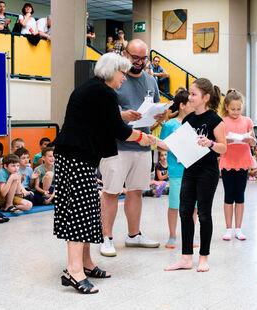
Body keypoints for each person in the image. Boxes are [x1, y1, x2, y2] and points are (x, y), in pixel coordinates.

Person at [53, 52, 153, 294]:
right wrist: (145, 138)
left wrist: (123, 115)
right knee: (79, 211)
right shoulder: (103, 92)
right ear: (111, 71)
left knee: (88, 210)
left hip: (76, 155)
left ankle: (85, 263)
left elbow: (101, 117)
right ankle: (73, 269)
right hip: (76, 156)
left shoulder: (93, 88)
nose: (125, 79)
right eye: (122, 73)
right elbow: (118, 130)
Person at [99, 39, 164, 258]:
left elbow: (154, 109)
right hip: (116, 145)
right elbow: (103, 111)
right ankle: (106, 238)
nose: (138, 62)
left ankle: (134, 235)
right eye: (134, 57)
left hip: (142, 144)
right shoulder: (114, 77)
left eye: (142, 58)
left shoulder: (150, 81)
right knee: (111, 191)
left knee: (136, 191)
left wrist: (159, 115)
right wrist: (123, 115)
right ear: (125, 54)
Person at [162, 78, 226, 272]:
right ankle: (186, 257)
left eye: (193, 94)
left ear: (205, 98)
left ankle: (203, 257)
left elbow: (223, 148)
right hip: (189, 171)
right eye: (189, 94)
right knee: (185, 212)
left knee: (204, 214)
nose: (189, 97)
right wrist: (153, 140)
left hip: (207, 173)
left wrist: (211, 144)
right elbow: (176, 144)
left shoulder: (215, 120)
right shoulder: (188, 119)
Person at [159, 90, 197, 248]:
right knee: (174, 204)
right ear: (182, 105)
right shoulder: (169, 125)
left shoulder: (195, 123)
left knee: (193, 206)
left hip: (194, 171)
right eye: (190, 102)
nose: (193, 105)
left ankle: (190, 235)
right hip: (176, 171)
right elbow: (161, 145)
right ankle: (173, 235)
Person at [219, 89, 256, 241]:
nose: (236, 112)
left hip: (243, 162)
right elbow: (219, 141)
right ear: (226, 107)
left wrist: (250, 140)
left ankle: (238, 228)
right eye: (233, 109)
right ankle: (228, 228)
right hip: (228, 161)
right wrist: (225, 140)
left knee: (240, 196)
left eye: (239, 109)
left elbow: (254, 140)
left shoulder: (247, 121)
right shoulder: (222, 121)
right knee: (229, 195)